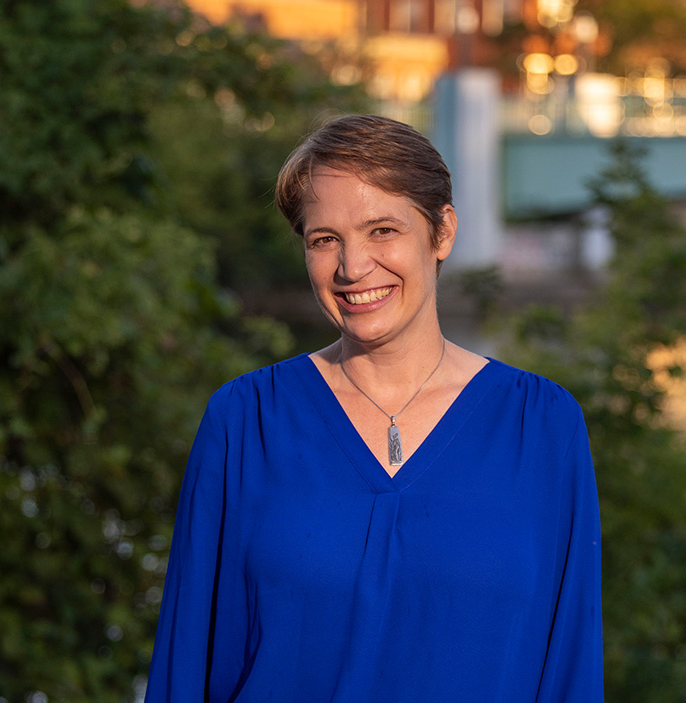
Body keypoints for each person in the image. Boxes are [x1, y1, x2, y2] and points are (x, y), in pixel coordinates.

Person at [143, 114, 602, 702]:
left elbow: (571, 668)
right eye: (324, 239)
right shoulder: (246, 421)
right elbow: (184, 667)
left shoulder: (540, 425)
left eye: (382, 230)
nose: (352, 267)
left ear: (442, 233)